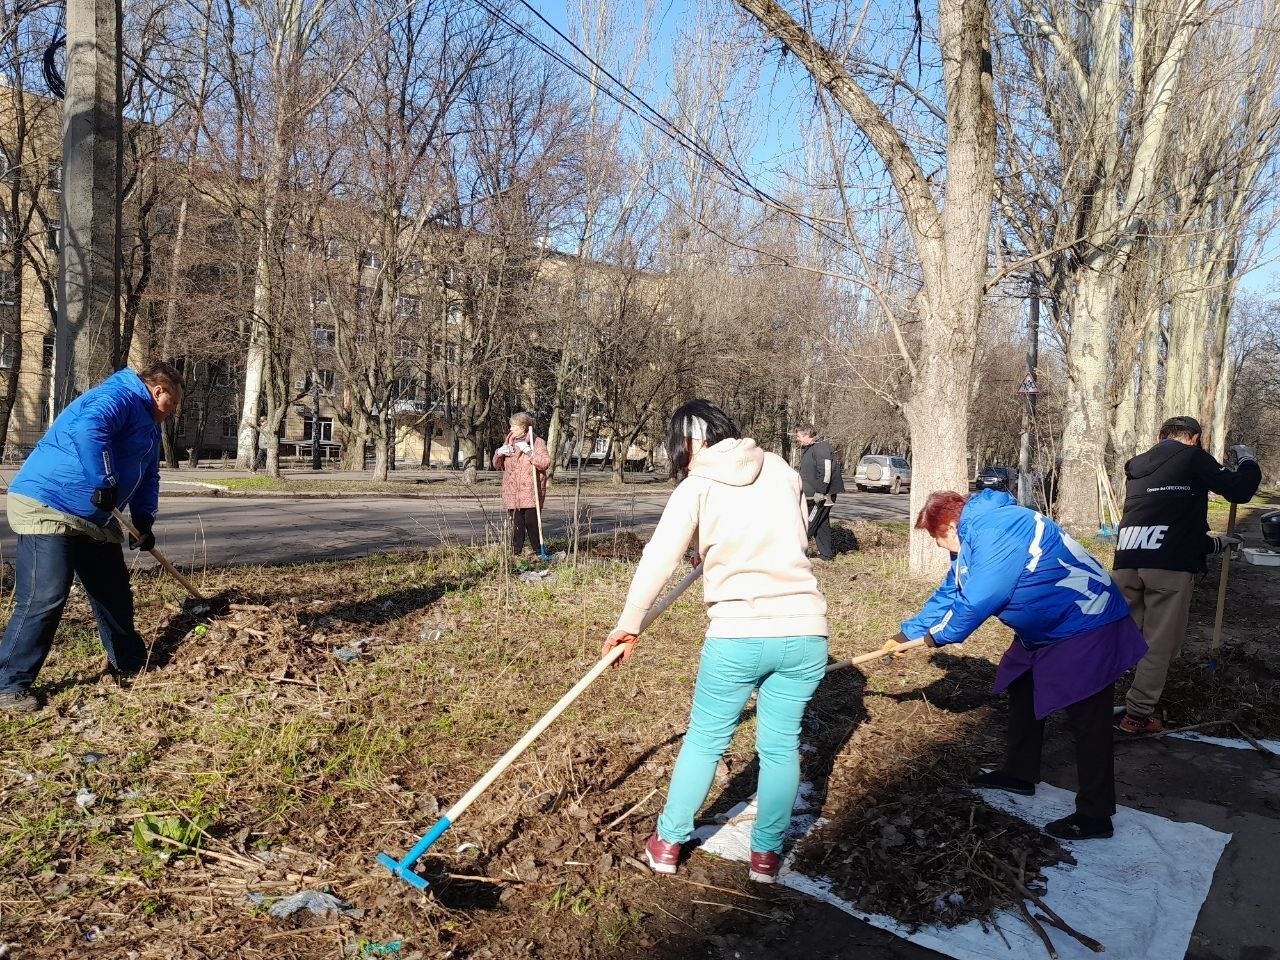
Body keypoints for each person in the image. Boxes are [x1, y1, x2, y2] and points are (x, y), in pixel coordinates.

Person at [602, 399, 828, 883]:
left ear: (688, 443)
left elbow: (660, 553)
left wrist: (629, 622)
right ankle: (766, 856)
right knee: (781, 747)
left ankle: (667, 842)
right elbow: (795, 539)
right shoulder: (783, 469)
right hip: (806, 628)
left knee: (705, 740)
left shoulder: (696, 486)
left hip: (739, 633)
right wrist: (715, 552)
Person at [900, 489, 1147, 841]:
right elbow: (954, 591)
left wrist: (937, 637)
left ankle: (1096, 814)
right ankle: (1019, 773)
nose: (944, 550)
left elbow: (982, 597)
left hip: (1085, 623)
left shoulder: (998, 528)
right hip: (1047, 630)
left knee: (1088, 719)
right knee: (1023, 688)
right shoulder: (976, 537)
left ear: (952, 525)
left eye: (939, 540)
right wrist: (906, 633)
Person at [0, 362, 183, 712]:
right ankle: (8, 683)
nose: (171, 412)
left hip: (93, 517)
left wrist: (144, 521)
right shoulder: (118, 396)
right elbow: (89, 427)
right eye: (171, 403)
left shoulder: (149, 427)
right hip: (48, 503)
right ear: (158, 389)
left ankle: (128, 664)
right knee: (45, 596)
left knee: (113, 592)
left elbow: (148, 476)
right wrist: (104, 478)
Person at [1111, 416, 1262, 735]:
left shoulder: (1135, 465)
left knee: (1122, 637)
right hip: (1168, 569)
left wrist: (1214, 543)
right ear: (1194, 438)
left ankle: (1092, 698)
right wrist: (1247, 460)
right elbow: (1239, 490)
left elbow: (1166, 516)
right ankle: (1137, 715)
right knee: (1158, 642)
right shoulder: (1191, 457)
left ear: (1159, 436)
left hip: (1127, 559)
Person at [493, 412, 551, 558]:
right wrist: (499, 453)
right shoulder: (509, 442)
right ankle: (515, 553)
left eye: (514, 426)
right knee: (516, 525)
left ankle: (539, 551)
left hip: (530, 490)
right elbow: (498, 465)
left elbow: (545, 463)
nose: (511, 428)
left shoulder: (536, 441)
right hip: (512, 490)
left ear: (524, 427)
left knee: (532, 523)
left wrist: (529, 452)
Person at [795, 425, 844, 562]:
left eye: (799, 437)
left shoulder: (821, 447)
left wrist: (820, 492)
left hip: (822, 496)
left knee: (809, 523)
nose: (798, 440)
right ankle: (826, 555)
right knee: (822, 524)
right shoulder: (810, 448)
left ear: (807, 435)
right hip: (816, 494)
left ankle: (794, 555)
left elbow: (826, 471)